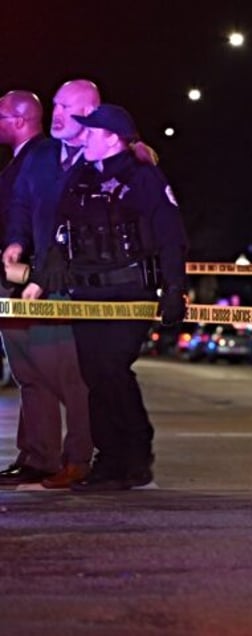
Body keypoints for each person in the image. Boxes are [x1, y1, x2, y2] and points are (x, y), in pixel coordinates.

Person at [22, 103, 188, 492]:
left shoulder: (143, 178)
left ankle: (135, 451)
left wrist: (175, 288)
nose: (85, 138)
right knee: (95, 376)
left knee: (112, 368)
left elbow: (170, 235)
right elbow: (59, 225)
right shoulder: (80, 177)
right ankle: (110, 462)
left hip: (129, 292)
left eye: (92, 132)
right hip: (88, 293)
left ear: (114, 138)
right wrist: (50, 261)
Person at [0, 88, 92, 489]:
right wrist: (16, 240)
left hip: (59, 284)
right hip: (19, 279)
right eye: (55, 106)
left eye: (65, 107)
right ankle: (39, 456)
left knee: (67, 377)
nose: (57, 114)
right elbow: (20, 206)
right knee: (29, 373)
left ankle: (78, 458)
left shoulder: (94, 156)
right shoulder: (39, 158)